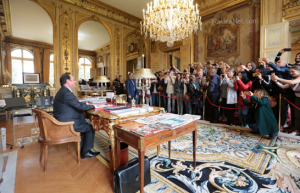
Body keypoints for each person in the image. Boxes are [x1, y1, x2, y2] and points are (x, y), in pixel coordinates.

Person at [53, 73, 100, 159]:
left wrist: (86, 103)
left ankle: (82, 150)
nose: (75, 82)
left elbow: (76, 104)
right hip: (67, 124)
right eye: (73, 80)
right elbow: (79, 106)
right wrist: (94, 106)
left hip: (62, 120)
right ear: (68, 81)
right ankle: (85, 152)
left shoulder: (63, 91)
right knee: (90, 128)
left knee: (85, 126)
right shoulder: (67, 93)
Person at [271, 65, 300, 135]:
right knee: (297, 115)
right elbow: (283, 86)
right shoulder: (293, 79)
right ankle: (296, 131)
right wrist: (275, 81)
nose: (291, 73)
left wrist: (278, 78)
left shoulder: (296, 79)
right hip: (298, 98)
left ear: (299, 71)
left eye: (293, 71)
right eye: (290, 72)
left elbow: (292, 83)